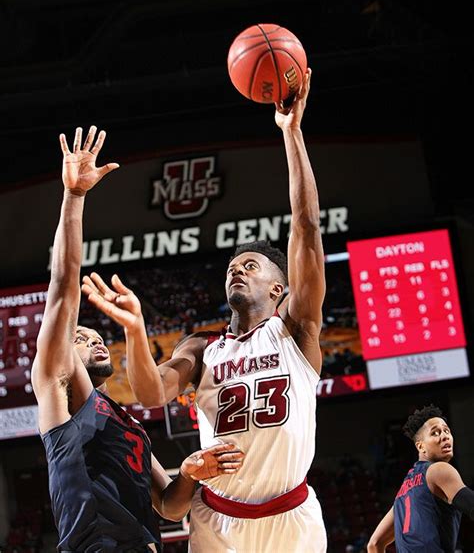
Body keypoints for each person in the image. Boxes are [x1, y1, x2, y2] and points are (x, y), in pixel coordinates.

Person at [82, 68, 328, 552]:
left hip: (292, 518)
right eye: (232, 267)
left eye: (251, 266)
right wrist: (134, 327)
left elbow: (306, 228)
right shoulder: (201, 347)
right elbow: (150, 394)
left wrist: (291, 133)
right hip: (219, 521)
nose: (237, 271)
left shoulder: (296, 331)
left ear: (280, 289)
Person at [32, 125, 244, 552]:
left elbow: (169, 507)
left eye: (95, 336)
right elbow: (62, 288)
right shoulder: (59, 389)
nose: (93, 340)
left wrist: (187, 473)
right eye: (79, 336)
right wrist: (74, 198)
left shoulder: (128, 425)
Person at [367, 404, 474, 552]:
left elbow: (374, 544)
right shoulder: (438, 469)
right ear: (420, 446)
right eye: (435, 433)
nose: (444, 436)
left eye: (446, 431)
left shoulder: (402, 494)